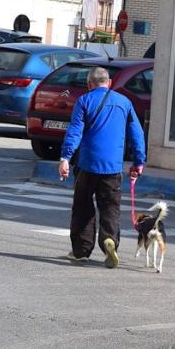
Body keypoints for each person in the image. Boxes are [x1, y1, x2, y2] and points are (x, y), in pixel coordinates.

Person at [57, 66, 146, 268]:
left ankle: (81, 251)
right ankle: (109, 242)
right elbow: (137, 134)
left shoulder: (84, 101)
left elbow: (74, 132)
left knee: (82, 207)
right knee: (110, 208)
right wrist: (139, 162)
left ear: (89, 84)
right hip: (113, 168)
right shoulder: (125, 103)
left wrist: (65, 158)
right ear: (110, 83)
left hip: (87, 165)